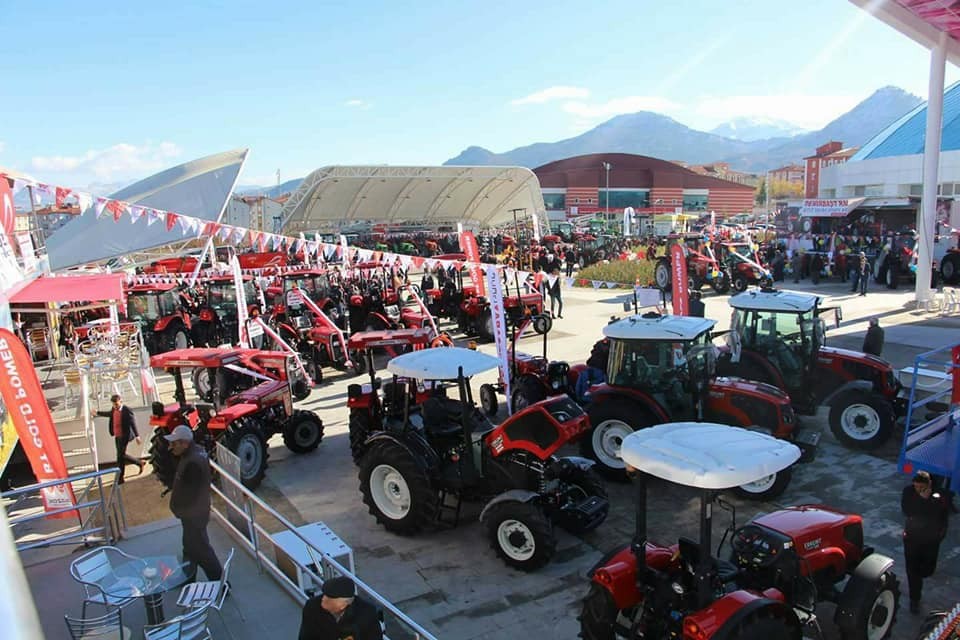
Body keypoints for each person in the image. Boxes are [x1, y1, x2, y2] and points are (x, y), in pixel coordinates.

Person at [165, 425, 222, 581]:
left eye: (174, 443)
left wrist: (179, 510)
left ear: (184, 443)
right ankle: (187, 579)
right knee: (189, 549)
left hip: (193, 517)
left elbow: (191, 494)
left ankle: (222, 584)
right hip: (194, 515)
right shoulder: (196, 453)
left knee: (202, 551)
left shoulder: (192, 463)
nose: (171, 447)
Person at [901, 471, 950, 613]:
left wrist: (940, 536)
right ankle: (914, 598)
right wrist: (921, 499)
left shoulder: (938, 495)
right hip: (912, 538)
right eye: (916, 487)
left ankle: (923, 574)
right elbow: (908, 511)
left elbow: (941, 516)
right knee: (912, 570)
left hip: (930, 539)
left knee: (927, 569)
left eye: (921, 488)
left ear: (929, 485)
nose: (918, 490)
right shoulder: (909, 492)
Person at [299, 576, 383, 640]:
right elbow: (305, 637)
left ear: (343, 604)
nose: (323, 598)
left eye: (329, 597)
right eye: (324, 594)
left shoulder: (367, 613)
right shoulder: (312, 607)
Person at [92, 395, 144, 484]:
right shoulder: (113, 409)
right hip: (117, 435)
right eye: (113, 405)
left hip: (125, 436)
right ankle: (139, 463)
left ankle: (120, 478)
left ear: (120, 401)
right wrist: (97, 412)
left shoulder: (127, 410)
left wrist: (137, 436)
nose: (115, 406)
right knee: (121, 456)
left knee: (120, 457)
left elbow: (133, 423)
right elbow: (109, 414)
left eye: (116, 404)